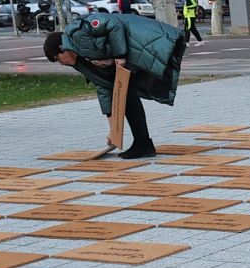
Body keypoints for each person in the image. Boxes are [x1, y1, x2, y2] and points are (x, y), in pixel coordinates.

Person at [43, 9, 187, 160]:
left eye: (58, 59)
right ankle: (143, 143)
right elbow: (103, 87)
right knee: (128, 97)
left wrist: (119, 55)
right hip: (133, 52)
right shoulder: (81, 61)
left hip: (146, 39)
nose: (62, 64)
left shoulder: (78, 32)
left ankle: (143, 144)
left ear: (62, 48)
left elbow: (113, 23)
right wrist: (113, 130)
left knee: (129, 97)